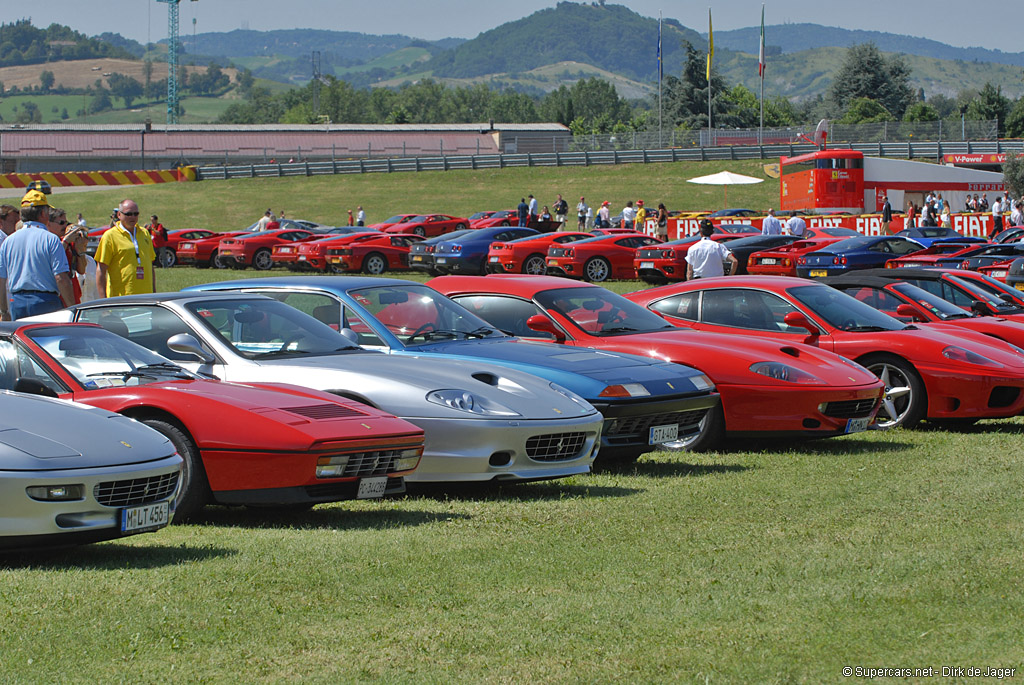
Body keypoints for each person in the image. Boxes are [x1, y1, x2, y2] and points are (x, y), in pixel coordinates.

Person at [0, 190, 75, 320]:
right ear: (42, 213)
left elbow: (1, 279)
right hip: (45, 301)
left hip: (17, 301)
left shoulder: (9, 241)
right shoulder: (51, 239)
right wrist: (72, 308)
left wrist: (4, 310)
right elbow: (61, 278)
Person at [95, 199, 156, 298]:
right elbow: (101, 270)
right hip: (121, 302)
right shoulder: (110, 236)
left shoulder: (144, 233)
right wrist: (103, 303)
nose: (133, 217)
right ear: (119, 215)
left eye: (136, 214)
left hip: (146, 300)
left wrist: (154, 294)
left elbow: (150, 265)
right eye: (128, 214)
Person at [60, 222, 88, 305]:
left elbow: (82, 270)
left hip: (74, 292)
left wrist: (80, 251)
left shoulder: (74, 248)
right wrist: (66, 241)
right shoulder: (61, 244)